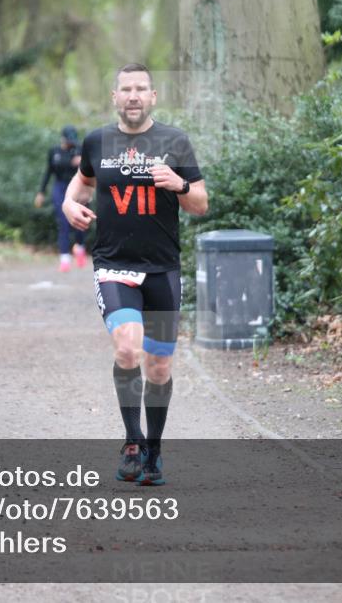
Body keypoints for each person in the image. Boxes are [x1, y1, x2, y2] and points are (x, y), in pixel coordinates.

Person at [62, 63, 208, 485]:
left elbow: (200, 203)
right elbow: (80, 183)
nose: (133, 96)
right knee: (127, 349)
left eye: (140, 89)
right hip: (114, 266)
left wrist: (178, 185)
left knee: (159, 366)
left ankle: (155, 453)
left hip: (162, 270)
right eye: (125, 89)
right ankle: (132, 441)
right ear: (115, 97)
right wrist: (69, 205)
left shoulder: (175, 142)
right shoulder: (97, 141)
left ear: (153, 96)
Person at [35, 125, 87, 271]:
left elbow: (90, 170)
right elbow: (48, 172)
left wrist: (83, 162)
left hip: (78, 187)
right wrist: (41, 192)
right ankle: (65, 258)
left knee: (79, 222)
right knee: (63, 222)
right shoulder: (54, 152)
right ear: (63, 139)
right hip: (60, 187)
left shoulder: (80, 150)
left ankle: (80, 247)